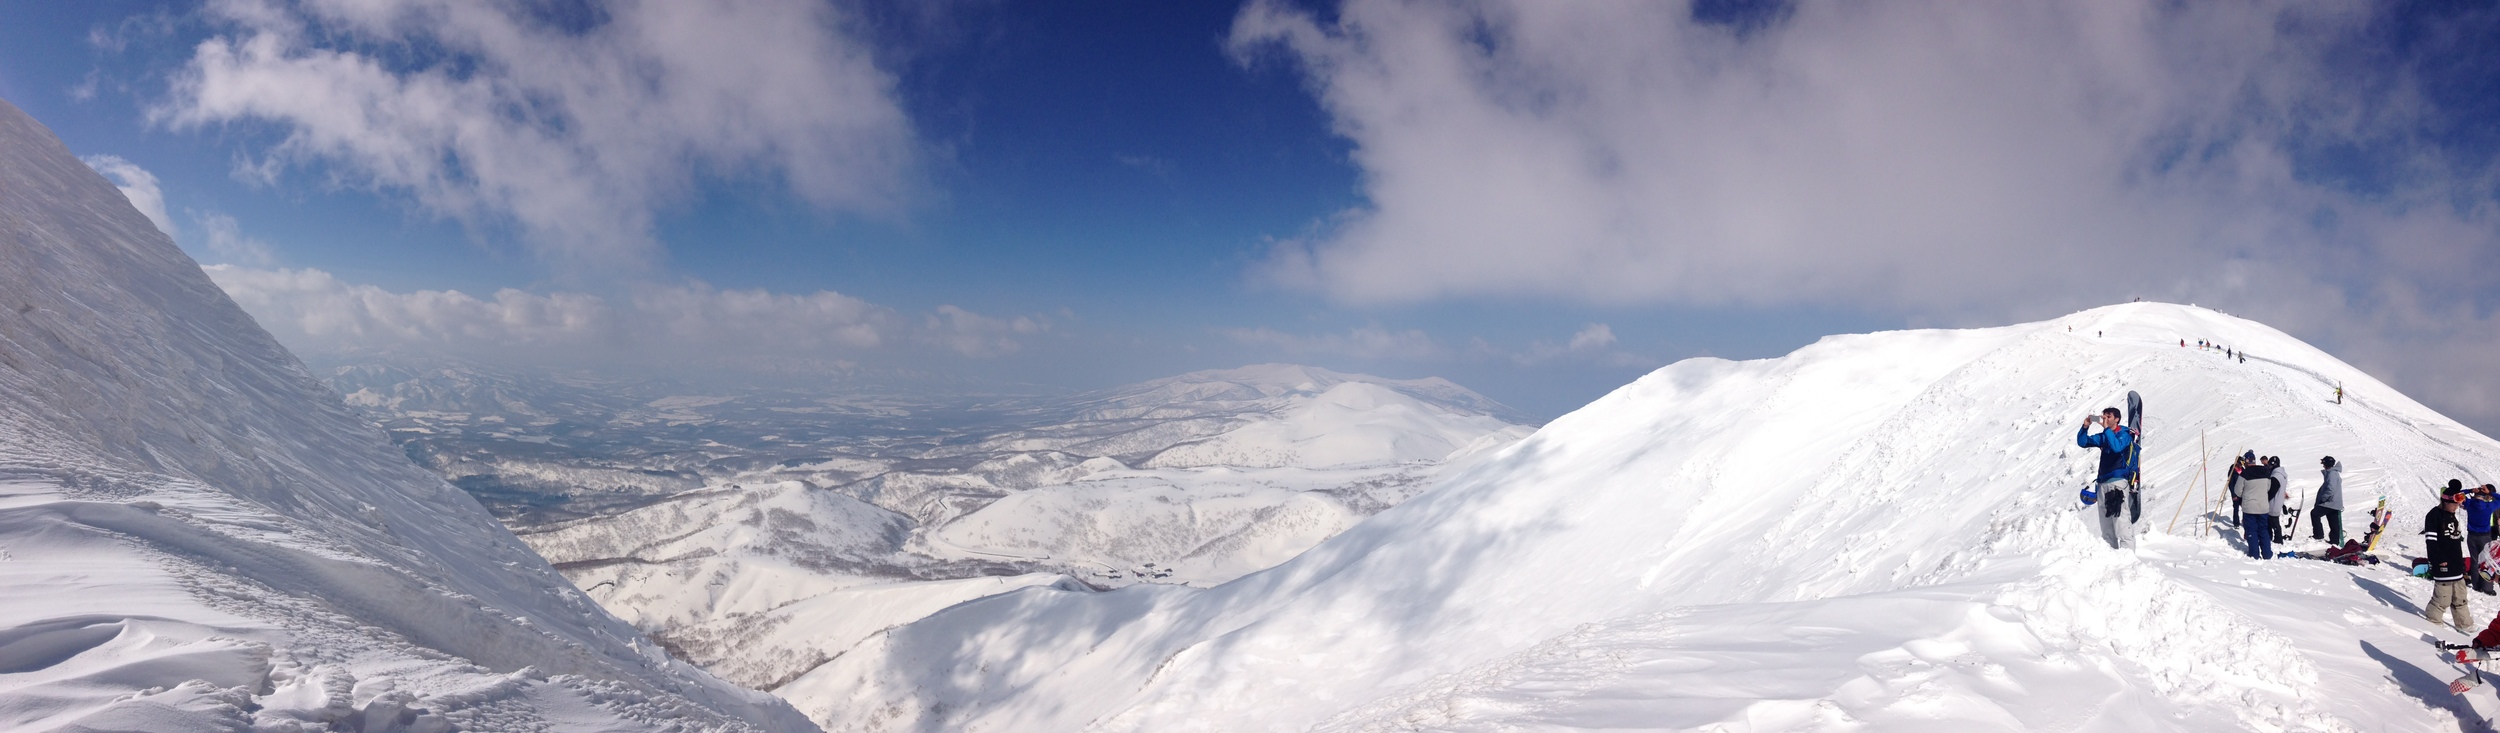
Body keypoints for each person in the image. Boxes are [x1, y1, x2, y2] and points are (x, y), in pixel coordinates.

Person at [2076, 407, 2138, 550]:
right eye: (2103, 416)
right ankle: (2111, 559)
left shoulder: (2125, 434)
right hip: (2102, 483)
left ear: (2116, 419)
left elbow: (2117, 447)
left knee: (2122, 524)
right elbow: (2083, 442)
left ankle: (2129, 560)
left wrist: (2107, 430)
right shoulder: (2105, 435)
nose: (2105, 418)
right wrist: (2085, 426)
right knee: (2106, 528)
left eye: (2108, 416)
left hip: (2118, 482)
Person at [2428, 487, 2473, 633]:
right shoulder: (2434, 515)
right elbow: (2431, 541)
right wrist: (2438, 559)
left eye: (2458, 504)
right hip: (2442, 563)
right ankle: (2432, 621)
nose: (2456, 507)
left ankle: (2464, 624)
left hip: (2455, 563)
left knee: (2460, 596)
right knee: (2443, 597)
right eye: (2453, 504)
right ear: (2444, 501)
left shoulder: (2451, 515)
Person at [2239, 462, 2279, 558]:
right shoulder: (2265, 472)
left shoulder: (2245, 474)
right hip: (2263, 507)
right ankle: (2267, 554)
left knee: (2251, 531)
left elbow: (2238, 491)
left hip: (2249, 507)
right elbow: (2269, 487)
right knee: (2263, 530)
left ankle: (2254, 554)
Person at [2468, 482, 2499, 594]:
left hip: (2481, 534)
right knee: (2485, 561)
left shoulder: (2472, 503)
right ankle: (2486, 586)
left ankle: (2478, 584)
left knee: (2478, 560)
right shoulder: (2489, 505)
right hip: (2485, 534)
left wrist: (2470, 490)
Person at [2311, 456, 2344, 546]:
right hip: (2334, 503)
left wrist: (2323, 498)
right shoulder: (2333, 473)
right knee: (2333, 522)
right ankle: (2334, 542)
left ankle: (2318, 535)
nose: (2323, 466)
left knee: (2314, 514)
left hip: (2330, 502)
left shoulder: (2332, 474)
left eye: (2323, 464)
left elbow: (2331, 489)